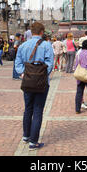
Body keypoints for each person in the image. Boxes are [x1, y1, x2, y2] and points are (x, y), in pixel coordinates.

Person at [15, 22, 54, 150]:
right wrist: (42, 75)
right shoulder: (46, 45)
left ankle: (26, 136)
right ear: (42, 32)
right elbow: (50, 63)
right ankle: (33, 141)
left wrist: (23, 74)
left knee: (28, 108)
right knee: (38, 110)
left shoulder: (23, 45)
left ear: (31, 32)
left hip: (27, 81)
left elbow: (18, 63)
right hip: (42, 82)